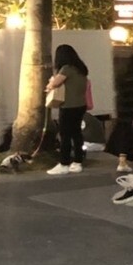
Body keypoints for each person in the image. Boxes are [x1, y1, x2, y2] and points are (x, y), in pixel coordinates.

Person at [45, 43, 90, 175]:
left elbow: (55, 83)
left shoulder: (66, 68)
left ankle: (64, 163)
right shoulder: (81, 69)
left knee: (65, 134)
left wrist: (50, 83)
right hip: (81, 105)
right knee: (76, 134)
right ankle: (77, 161)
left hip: (69, 106)